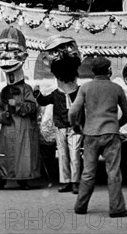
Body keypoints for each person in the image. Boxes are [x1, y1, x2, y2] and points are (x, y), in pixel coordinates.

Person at [69, 57, 127, 218]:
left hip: (90, 133)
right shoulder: (116, 88)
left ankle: (81, 206)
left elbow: (72, 112)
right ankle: (117, 208)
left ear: (93, 72)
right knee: (113, 172)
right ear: (109, 71)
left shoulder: (85, 88)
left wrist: (76, 126)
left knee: (88, 172)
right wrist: (116, 124)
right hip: (111, 133)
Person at [0, 27, 40, 190]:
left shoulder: (26, 89)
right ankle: (1, 180)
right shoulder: (4, 90)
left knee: (23, 154)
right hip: (8, 127)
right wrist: (3, 114)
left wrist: (17, 105)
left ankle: (23, 180)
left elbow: (32, 107)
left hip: (22, 127)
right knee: (3, 155)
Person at [35, 36, 84, 194]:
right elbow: (42, 101)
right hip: (62, 126)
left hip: (74, 127)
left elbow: (43, 100)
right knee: (64, 154)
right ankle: (67, 181)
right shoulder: (60, 93)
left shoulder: (78, 92)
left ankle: (74, 181)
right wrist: (37, 93)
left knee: (74, 154)